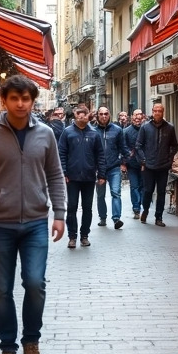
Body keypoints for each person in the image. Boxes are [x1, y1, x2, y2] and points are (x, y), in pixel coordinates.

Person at [0, 75, 67, 354]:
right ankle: (7, 349)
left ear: (33, 101)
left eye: (26, 98)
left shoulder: (46, 134)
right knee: (1, 290)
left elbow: (54, 174)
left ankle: (31, 342)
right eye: (15, 98)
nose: (21, 104)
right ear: (4, 100)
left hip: (36, 222)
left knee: (35, 284)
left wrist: (60, 214)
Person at [57, 103, 104, 248]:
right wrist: (64, 172)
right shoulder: (67, 132)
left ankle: (84, 235)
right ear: (75, 115)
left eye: (84, 113)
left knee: (87, 207)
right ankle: (72, 236)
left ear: (88, 115)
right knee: (71, 207)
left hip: (89, 177)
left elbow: (100, 155)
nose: (81, 116)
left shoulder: (94, 133)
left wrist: (102, 174)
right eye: (78, 114)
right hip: (72, 177)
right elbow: (61, 153)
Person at [136, 102, 178, 226]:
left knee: (161, 192)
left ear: (163, 112)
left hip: (163, 166)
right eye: (155, 111)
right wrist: (143, 160)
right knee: (148, 190)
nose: (157, 113)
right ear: (152, 112)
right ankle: (146, 210)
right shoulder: (145, 127)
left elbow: (174, 146)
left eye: (160, 111)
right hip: (149, 165)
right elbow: (138, 146)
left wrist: (169, 158)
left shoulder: (169, 127)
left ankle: (158, 217)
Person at [92, 106, 127, 229]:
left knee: (115, 193)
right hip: (98, 169)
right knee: (100, 195)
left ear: (109, 115)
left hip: (113, 167)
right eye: (101, 114)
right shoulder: (92, 131)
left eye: (106, 114)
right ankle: (102, 217)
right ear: (97, 115)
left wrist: (123, 161)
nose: (103, 116)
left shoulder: (117, 130)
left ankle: (117, 219)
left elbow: (123, 148)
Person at [122, 109, 145, 219]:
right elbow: (123, 147)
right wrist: (123, 162)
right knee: (134, 186)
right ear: (132, 117)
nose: (138, 117)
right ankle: (136, 208)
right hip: (132, 164)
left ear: (143, 117)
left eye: (140, 115)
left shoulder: (146, 130)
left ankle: (142, 205)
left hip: (145, 164)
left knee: (143, 186)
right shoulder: (126, 131)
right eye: (136, 115)